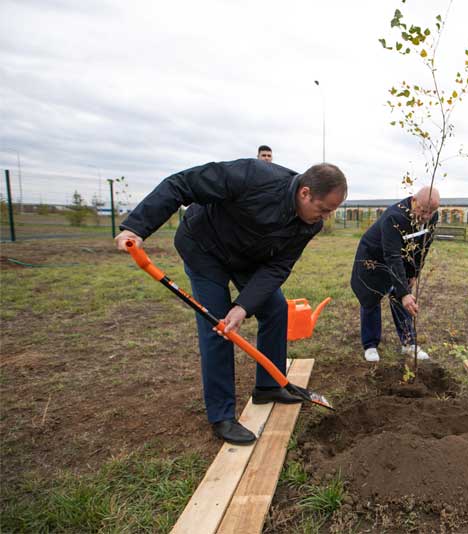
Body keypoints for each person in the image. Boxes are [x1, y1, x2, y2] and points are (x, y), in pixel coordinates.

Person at [115, 160, 347, 444]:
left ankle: (269, 386)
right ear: (305, 193)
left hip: (248, 259)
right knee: (219, 325)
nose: (324, 218)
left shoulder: (309, 225)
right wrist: (136, 227)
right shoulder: (255, 177)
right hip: (204, 249)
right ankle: (221, 415)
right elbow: (182, 184)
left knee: (275, 309)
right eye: (323, 209)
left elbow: (278, 267)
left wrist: (244, 306)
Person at [350, 186, 440, 362]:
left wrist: (415, 272)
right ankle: (370, 345)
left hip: (402, 259)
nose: (427, 216)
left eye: (431, 212)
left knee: (401, 300)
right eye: (423, 210)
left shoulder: (431, 217)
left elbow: (424, 246)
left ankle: (408, 343)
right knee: (371, 298)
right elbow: (392, 256)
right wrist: (404, 292)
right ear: (414, 200)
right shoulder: (395, 217)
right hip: (374, 259)